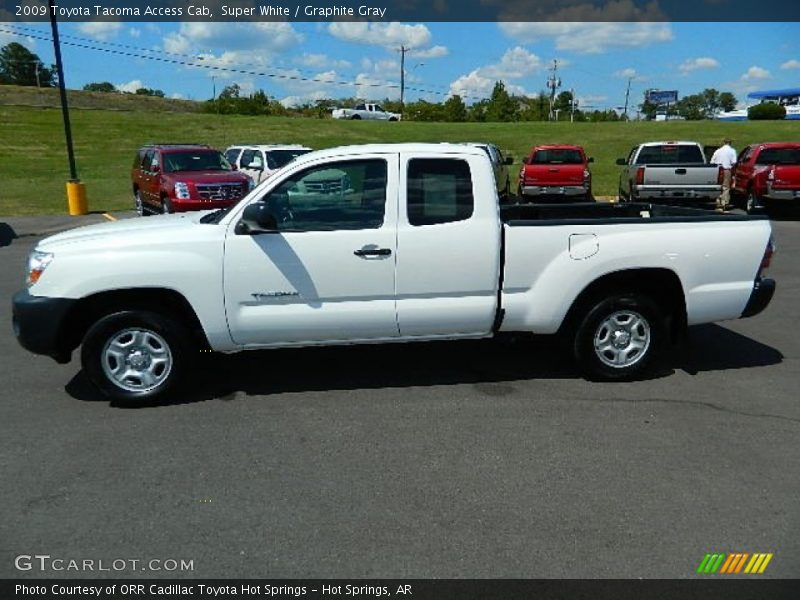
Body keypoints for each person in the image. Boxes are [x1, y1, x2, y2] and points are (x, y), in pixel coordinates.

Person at [710, 138, 737, 211]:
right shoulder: (732, 151)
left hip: (717, 170)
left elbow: (712, 161)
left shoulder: (718, 151)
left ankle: (718, 202)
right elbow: (734, 162)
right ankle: (724, 203)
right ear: (730, 143)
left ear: (723, 143)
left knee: (718, 186)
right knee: (726, 187)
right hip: (726, 169)